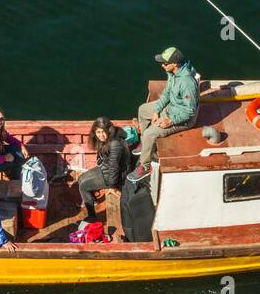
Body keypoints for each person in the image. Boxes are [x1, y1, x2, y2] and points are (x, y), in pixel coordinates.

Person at [132, 46, 199, 176]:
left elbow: (190, 111)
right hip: (171, 107)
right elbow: (167, 93)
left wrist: (170, 121)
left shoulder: (187, 83)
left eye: (165, 63)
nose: (162, 65)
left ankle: (145, 167)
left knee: (149, 134)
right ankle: (146, 144)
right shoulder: (173, 73)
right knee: (142, 110)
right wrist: (157, 110)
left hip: (181, 118)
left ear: (175, 64)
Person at [78, 117, 133, 220]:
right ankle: (92, 201)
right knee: (81, 178)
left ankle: (92, 218)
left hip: (117, 176)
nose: (101, 135)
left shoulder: (115, 144)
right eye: (98, 132)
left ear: (109, 130)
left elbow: (114, 168)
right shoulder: (109, 138)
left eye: (103, 132)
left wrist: (112, 186)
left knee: (83, 186)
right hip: (107, 167)